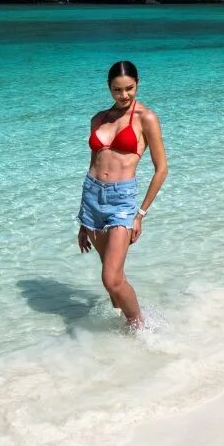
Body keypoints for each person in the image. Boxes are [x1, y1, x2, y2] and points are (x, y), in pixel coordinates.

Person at [78, 60, 169, 327]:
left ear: (137, 84)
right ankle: (121, 334)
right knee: (113, 282)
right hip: (92, 198)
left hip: (122, 201)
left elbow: (161, 169)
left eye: (129, 88)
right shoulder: (98, 119)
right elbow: (93, 164)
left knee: (111, 278)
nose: (124, 95)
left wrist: (140, 213)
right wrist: (84, 220)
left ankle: (141, 327)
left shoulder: (146, 118)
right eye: (117, 90)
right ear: (109, 88)